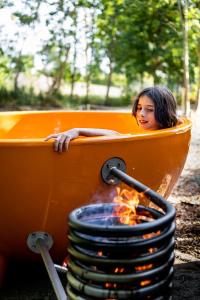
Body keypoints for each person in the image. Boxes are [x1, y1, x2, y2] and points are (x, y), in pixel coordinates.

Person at [45, 86, 180, 152]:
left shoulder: (158, 138)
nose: (141, 114)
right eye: (139, 108)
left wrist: (78, 130)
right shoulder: (154, 133)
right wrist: (77, 130)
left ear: (164, 111)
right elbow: (116, 135)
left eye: (149, 110)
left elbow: (118, 136)